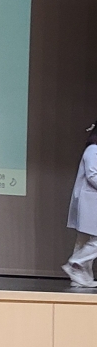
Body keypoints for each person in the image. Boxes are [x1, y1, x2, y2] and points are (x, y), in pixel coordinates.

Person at [63, 121, 97, 288]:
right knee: (89, 239)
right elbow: (92, 175)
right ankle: (76, 263)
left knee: (83, 240)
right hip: (90, 200)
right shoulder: (93, 150)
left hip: (91, 200)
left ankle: (80, 277)